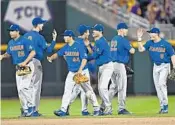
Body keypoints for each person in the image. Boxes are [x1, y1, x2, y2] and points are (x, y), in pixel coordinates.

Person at [47, 30, 101, 116]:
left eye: (66, 36)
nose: (64, 37)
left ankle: (97, 108)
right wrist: (51, 58)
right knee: (67, 91)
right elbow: (58, 54)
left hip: (82, 71)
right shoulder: (66, 47)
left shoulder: (79, 46)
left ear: (70, 37)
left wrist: (80, 70)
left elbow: (84, 59)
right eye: (64, 36)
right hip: (72, 72)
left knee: (88, 91)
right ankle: (63, 110)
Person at [23, 17, 57, 116]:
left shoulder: (25, 35)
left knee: (26, 86)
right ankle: (34, 111)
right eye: (41, 23)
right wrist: (54, 40)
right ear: (37, 24)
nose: (43, 25)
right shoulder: (39, 37)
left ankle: (26, 109)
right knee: (36, 87)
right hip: (35, 62)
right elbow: (49, 50)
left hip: (25, 62)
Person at [0, 24, 36, 117]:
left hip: (28, 65)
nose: (11, 33)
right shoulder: (11, 43)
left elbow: (33, 52)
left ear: (17, 31)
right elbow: (9, 53)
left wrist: (25, 62)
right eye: (10, 31)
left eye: (13, 31)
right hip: (18, 67)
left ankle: (31, 106)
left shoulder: (25, 40)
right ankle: (25, 109)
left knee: (24, 87)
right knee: (20, 90)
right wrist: (3, 56)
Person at [137, 27, 175, 114]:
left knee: (162, 84)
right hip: (156, 66)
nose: (150, 34)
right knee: (158, 87)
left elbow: (172, 55)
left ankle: (165, 105)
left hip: (164, 65)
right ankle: (162, 107)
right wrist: (139, 39)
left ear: (156, 34)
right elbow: (140, 49)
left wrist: (174, 67)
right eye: (149, 33)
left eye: (151, 33)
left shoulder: (165, 44)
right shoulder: (150, 43)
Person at [109, 22, 135, 115]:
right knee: (122, 87)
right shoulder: (123, 40)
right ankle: (121, 108)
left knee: (113, 87)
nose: (127, 30)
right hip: (119, 65)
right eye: (125, 29)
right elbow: (132, 51)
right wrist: (130, 46)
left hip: (111, 65)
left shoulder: (113, 39)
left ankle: (104, 106)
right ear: (121, 30)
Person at [88, 24, 114, 115]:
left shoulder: (101, 41)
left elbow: (95, 55)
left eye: (95, 30)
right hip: (102, 67)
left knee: (102, 87)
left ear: (100, 31)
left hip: (107, 66)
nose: (93, 31)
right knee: (100, 89)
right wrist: (90, 46)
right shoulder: (99, 41)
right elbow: (96, 51)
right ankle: (103, 107)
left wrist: (84, 59)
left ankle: (108, 107)